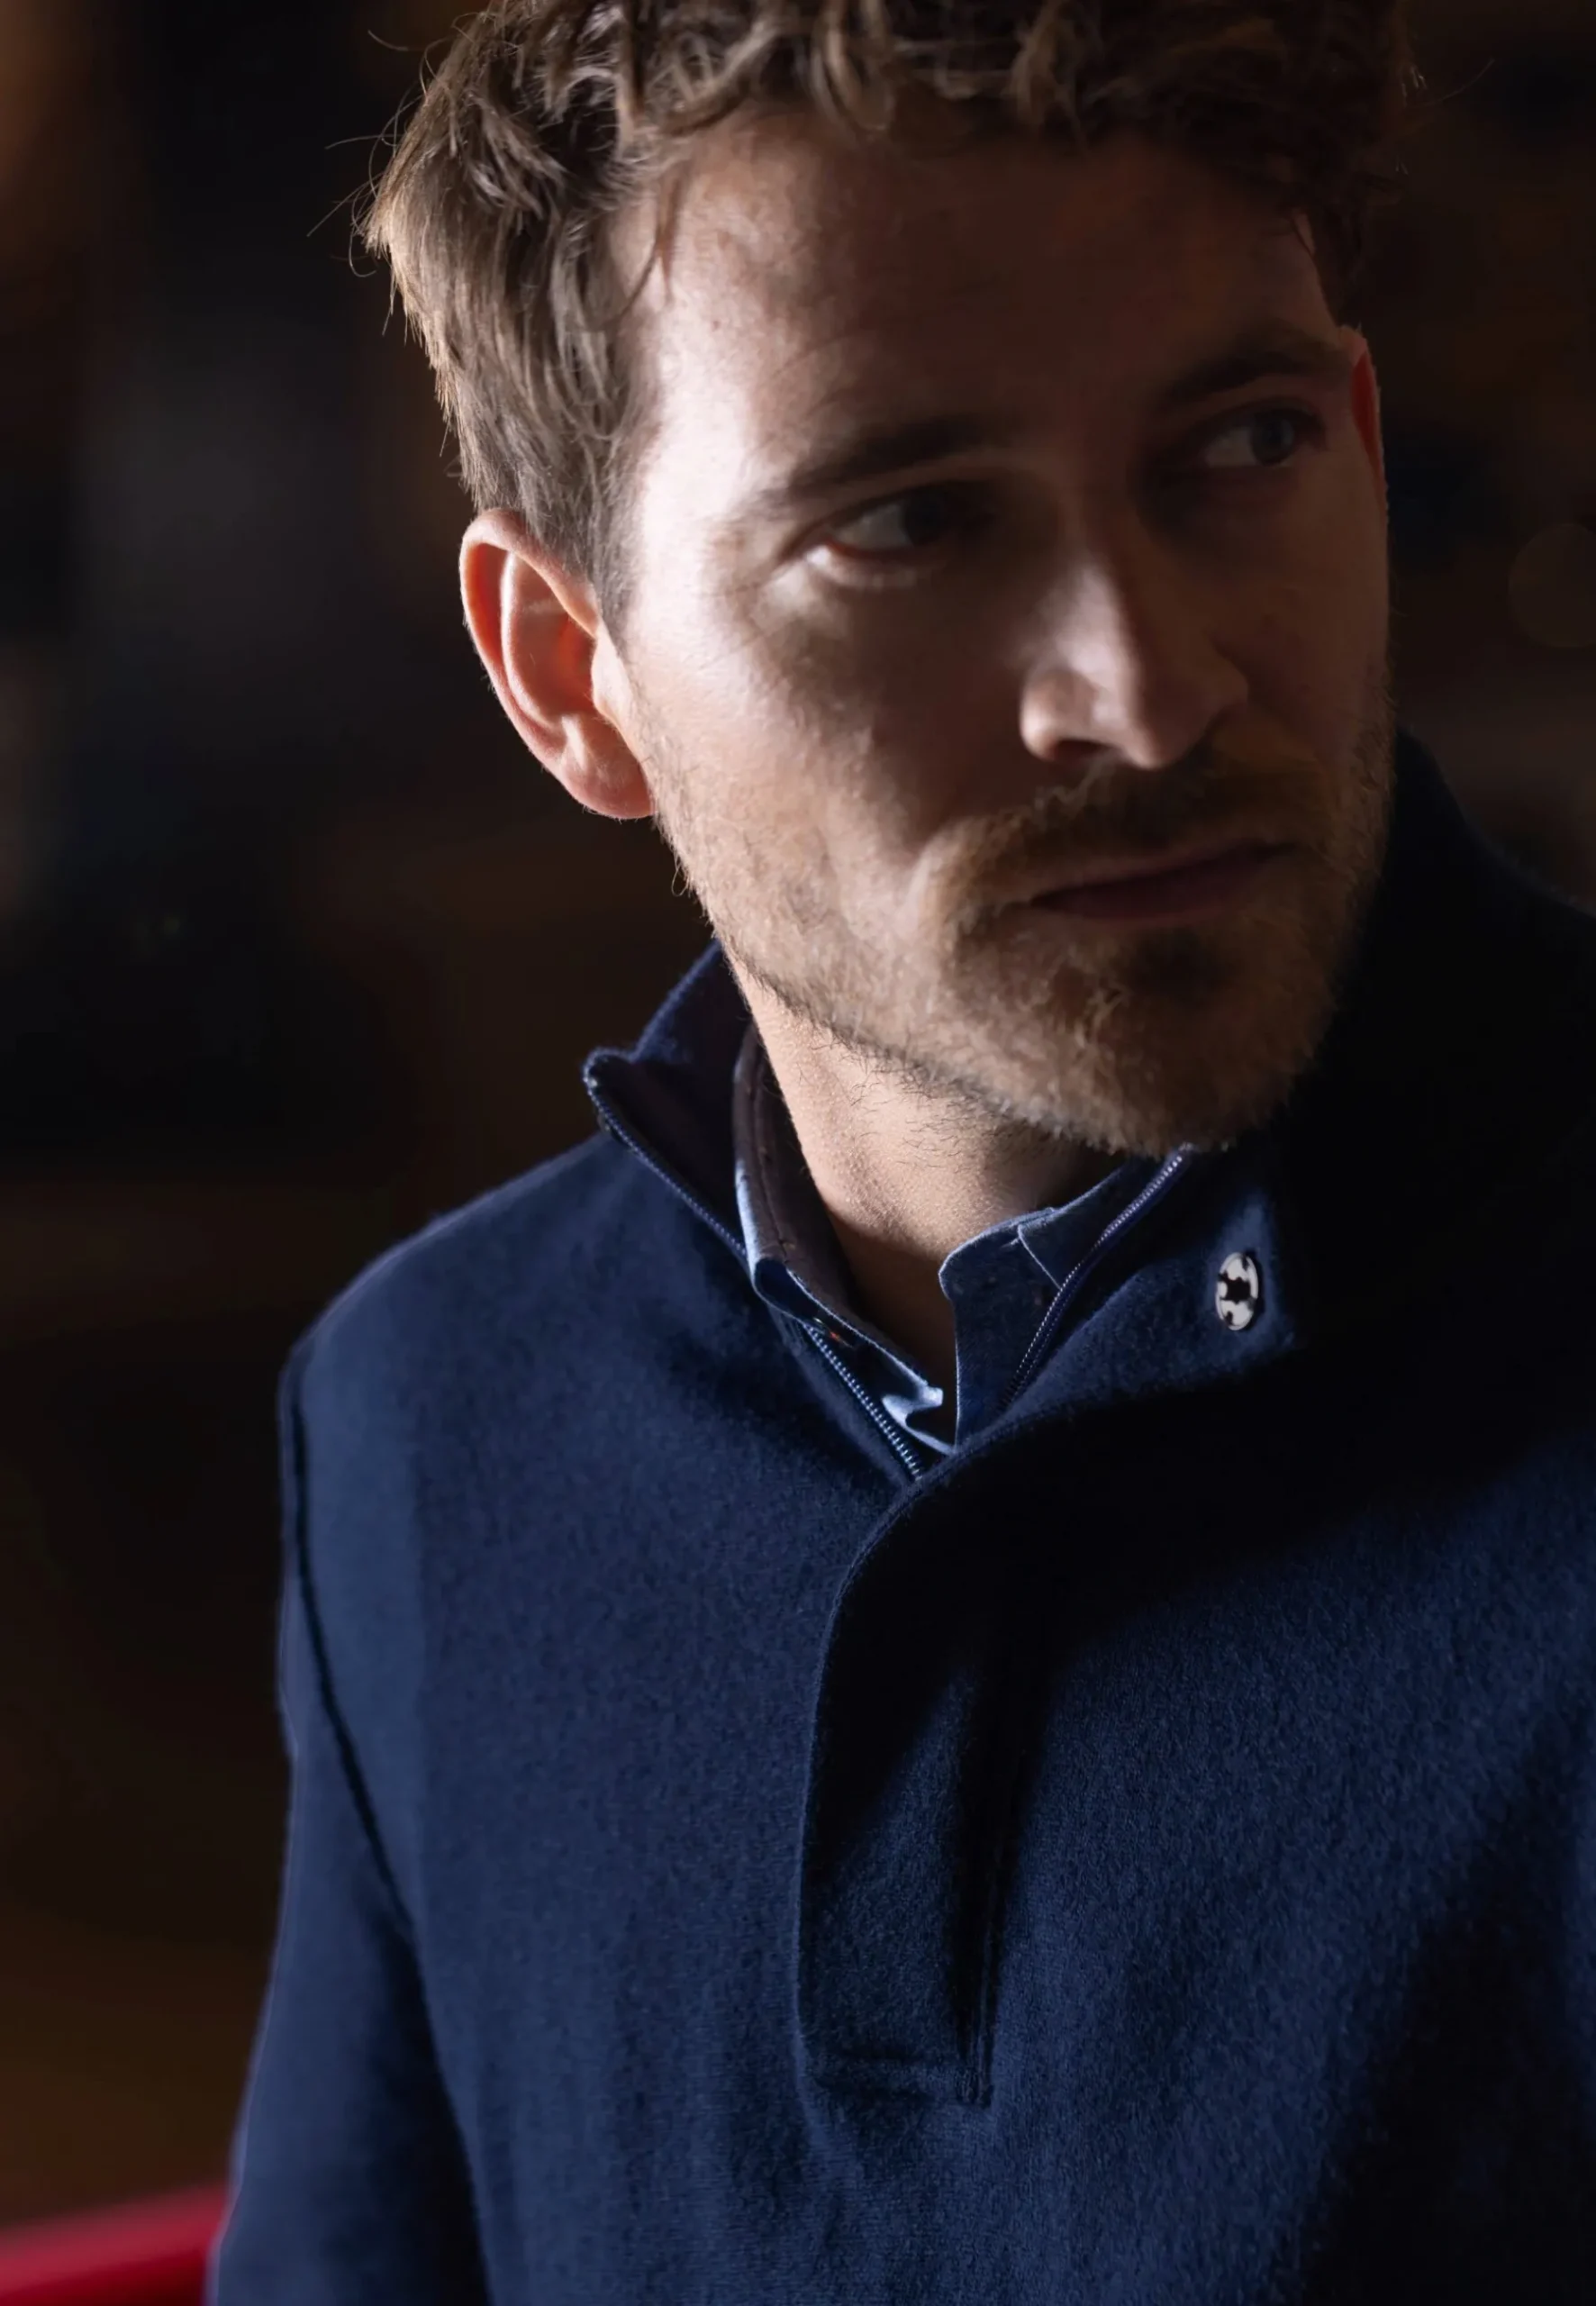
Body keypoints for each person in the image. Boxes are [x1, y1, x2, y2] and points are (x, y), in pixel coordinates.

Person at [214, 4, 1596, 2299]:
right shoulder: (427, 1420)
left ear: (1355, 433)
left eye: (1239, 444)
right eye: (912, 522)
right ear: (567, 666)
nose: (1146, 687)